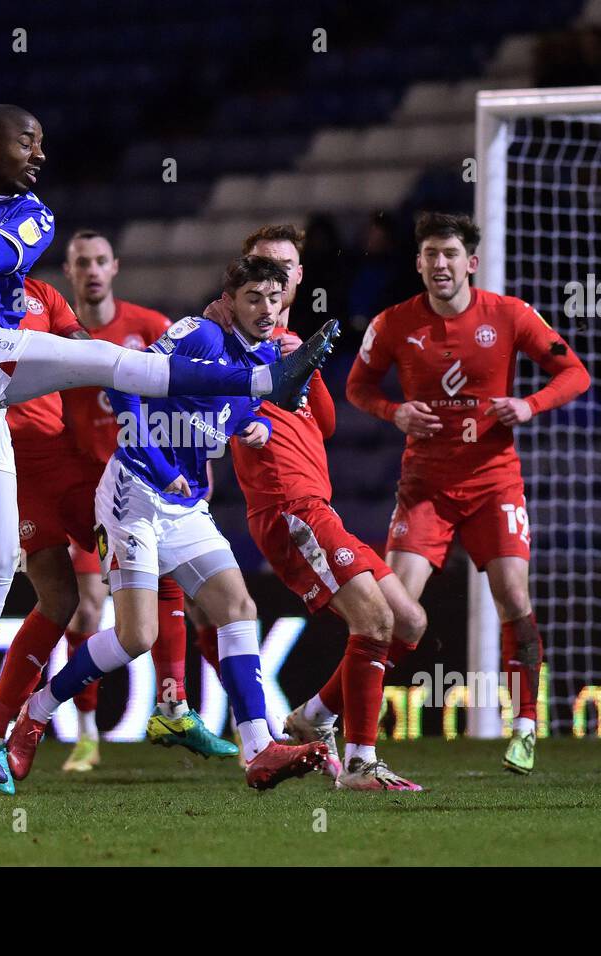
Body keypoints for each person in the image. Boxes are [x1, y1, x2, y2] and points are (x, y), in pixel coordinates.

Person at [0, 103, 338, 788]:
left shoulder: (34, 216)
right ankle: (266, 377)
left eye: (44, 143)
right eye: (28, 141)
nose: (40, 154)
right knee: (108, 363)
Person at [7, 256, 336, 790]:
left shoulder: (264, 357)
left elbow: (229, 410)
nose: (265, 309)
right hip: (133, 494)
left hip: (186, 508)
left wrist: (253, 429)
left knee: (238, 607)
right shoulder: (199, 335)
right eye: (253, 298)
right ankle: (36, 713)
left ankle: (259, 749)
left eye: (274, 300)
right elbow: (122, 385)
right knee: (137, 636)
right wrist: (161, 466)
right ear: (229, 301)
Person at [0, 234, 235, 786]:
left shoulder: (116, 318)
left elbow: (185, 388)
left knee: (153, 596)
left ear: (114, 267)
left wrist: (193, 459)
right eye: (83, 263)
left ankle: (178, 709)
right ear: (72, 271)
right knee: (68, 604)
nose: (93, 271)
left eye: (101, 261)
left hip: (112, 481)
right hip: (26, 468)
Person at [345, 212, 590, 773]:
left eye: (450, 253)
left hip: (493, 483)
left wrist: (529, 404)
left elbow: (574, 373)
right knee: (393, 612)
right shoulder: (392, 324)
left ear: (470, 263)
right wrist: (394, 410)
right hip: (425, 488)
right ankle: (347, 729)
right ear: (418, 263)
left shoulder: (508, 315)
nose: (440, 264)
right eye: (430, 254)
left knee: (513, 597)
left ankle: (525, 727)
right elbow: (358, 386)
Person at [203, 225, 427, 791]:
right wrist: (251, 400)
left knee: (408, 621)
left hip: (317, 502)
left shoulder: (288, 339)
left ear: (298, 279)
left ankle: (312, 718)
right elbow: (204, 397)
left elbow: (323, 425)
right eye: (264, 267)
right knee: (373, 620)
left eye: (286, 269)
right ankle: (359, 763)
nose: (275, 280)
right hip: (288, 505)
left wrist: (301, 364)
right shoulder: (222, 335)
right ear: (242, 276)